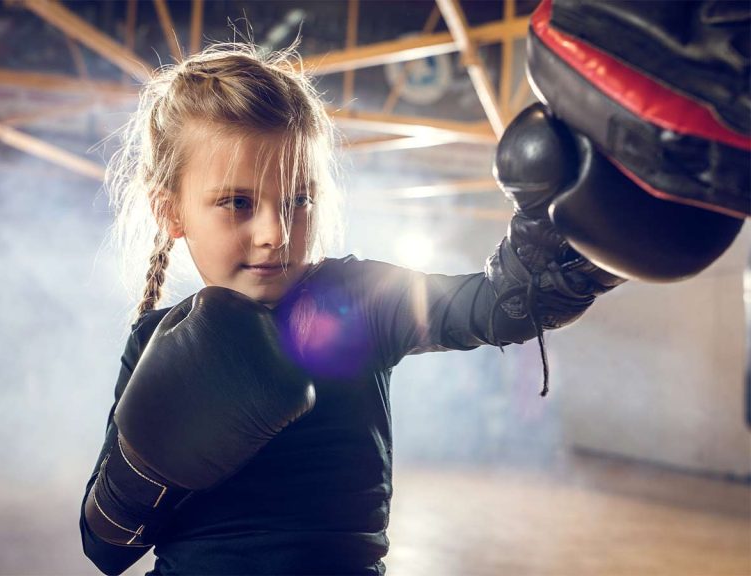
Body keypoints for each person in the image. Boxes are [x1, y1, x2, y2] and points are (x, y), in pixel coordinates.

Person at [79, 41, 622, 576]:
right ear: (170, 211)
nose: (275, 233)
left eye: (298, 199)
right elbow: (105, 546)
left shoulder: (355, 300)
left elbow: (495, 307)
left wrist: (578, 239)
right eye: (237, 202)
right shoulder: (154, 340)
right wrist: (144, 467)